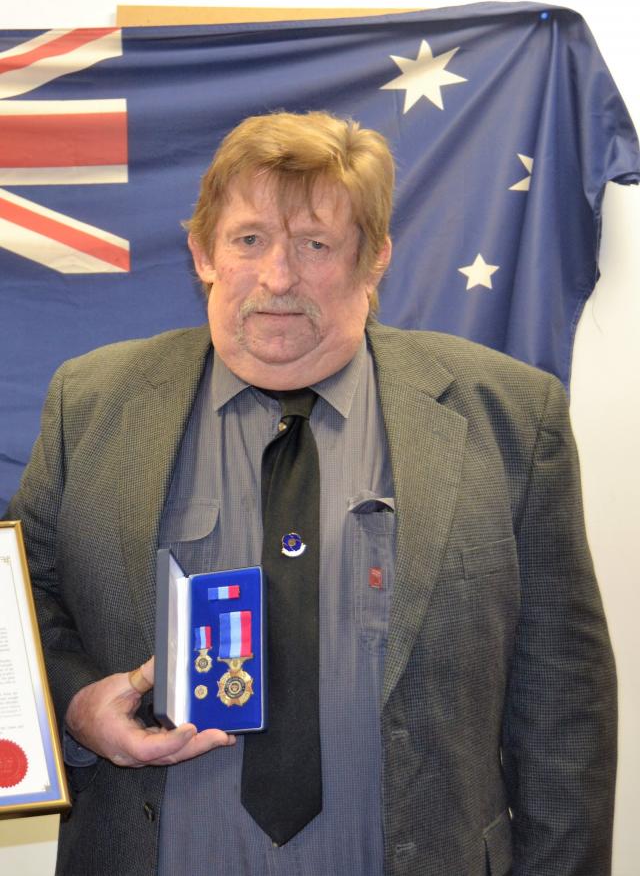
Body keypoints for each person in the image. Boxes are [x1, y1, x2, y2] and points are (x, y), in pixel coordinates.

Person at [6, 111, 616, 876]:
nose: (278, 277)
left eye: (315, 244)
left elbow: (565, 710)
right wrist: (74, 705)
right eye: (249, 238)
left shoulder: (510, 418)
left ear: (375, 258)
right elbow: (25, 605)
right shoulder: (91, 403)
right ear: (203, 252)